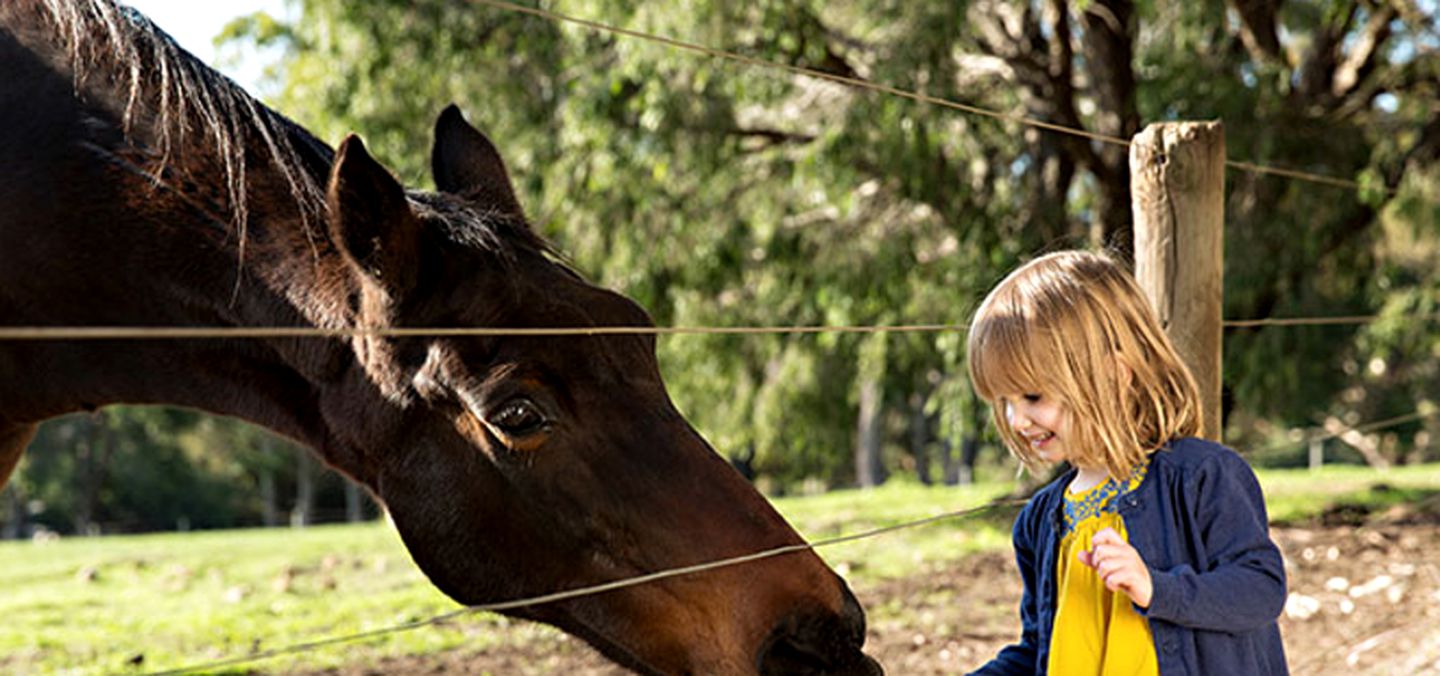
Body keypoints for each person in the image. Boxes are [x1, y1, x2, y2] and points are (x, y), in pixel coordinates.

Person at [964, 250, 1288, 675]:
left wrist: (1158, 588)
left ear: (1115, 375)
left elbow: (1260, 588)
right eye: (1002, 401)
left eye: (1032, 397)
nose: (1015, 419)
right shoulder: (1039, 522)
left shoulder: (1201, 477)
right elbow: (1041, 648)